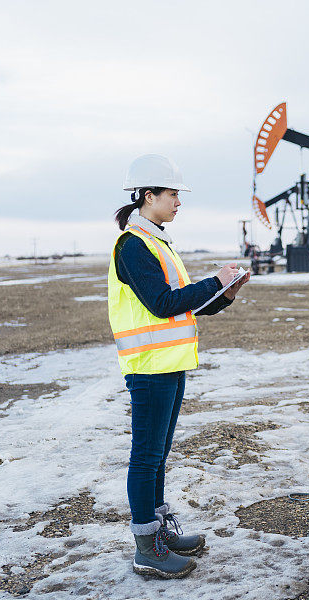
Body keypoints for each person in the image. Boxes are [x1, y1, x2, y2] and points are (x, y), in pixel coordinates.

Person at [108, 154, 250, 578]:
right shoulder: (133, 246)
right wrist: (215, 281)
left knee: (158, 455)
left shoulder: (157, 242)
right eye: (172, 194)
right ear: (148, 196)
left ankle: (158, 532)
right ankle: (146, 547)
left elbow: (180, 308)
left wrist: (224, 294)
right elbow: (163, 303)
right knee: (146, 456)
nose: (177, 202)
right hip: (149, 367)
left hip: (168, 364)